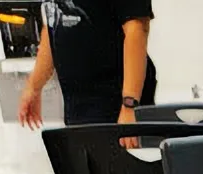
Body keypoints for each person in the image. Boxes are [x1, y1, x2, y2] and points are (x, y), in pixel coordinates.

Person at [18, 0, 156, 143]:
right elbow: (52, 24)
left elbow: (137, 29)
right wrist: (33, 86)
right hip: (78, 103)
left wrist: (130, 105)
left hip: (115, 98)